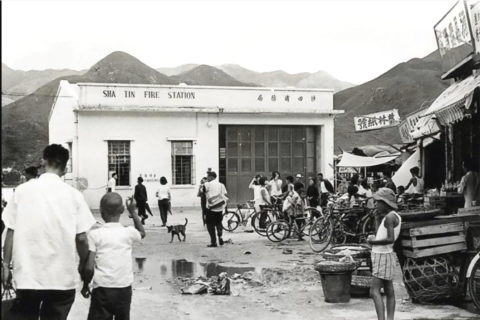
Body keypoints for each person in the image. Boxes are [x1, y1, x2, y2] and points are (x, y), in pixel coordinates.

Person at [1, 144, 96, 320]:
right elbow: (82, 239)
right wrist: (84, 266)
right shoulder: (74, 195)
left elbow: (10, 231)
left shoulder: (22, 191)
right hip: (61, 279)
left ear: (42, 163)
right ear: (65, 169)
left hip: (28, 278)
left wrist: (6, 266)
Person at [81, 193, 146, 320]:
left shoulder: (95, 235)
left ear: (101, 211)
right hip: (124, 289)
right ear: (122, 210)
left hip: (102, 289)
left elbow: (89, 268)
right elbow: (142, 233)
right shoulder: (129, 232)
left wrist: (85, 285)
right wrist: (133, 211)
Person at [368, 188, 402, 320]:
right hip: (387, 255)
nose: (375, 205)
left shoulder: (389, 218)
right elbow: (381, 235)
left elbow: (390, 239)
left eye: (377, 202)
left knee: (374, 291)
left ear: (384, 202)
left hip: (382, 255)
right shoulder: (393, 216)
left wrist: (373, 243)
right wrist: (377, 219)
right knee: (389, 290)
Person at [203, 171, 227, 247]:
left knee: (210, 225)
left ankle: (214, 242)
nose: (207, 178)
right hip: (219, 208)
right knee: (219, 223)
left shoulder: (207, 184)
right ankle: (220, 236)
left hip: (210, 208)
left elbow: (200, 193)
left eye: (208, 177)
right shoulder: (221, 185)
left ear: (211, 177)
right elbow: (225, 196)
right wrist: (226, 208)